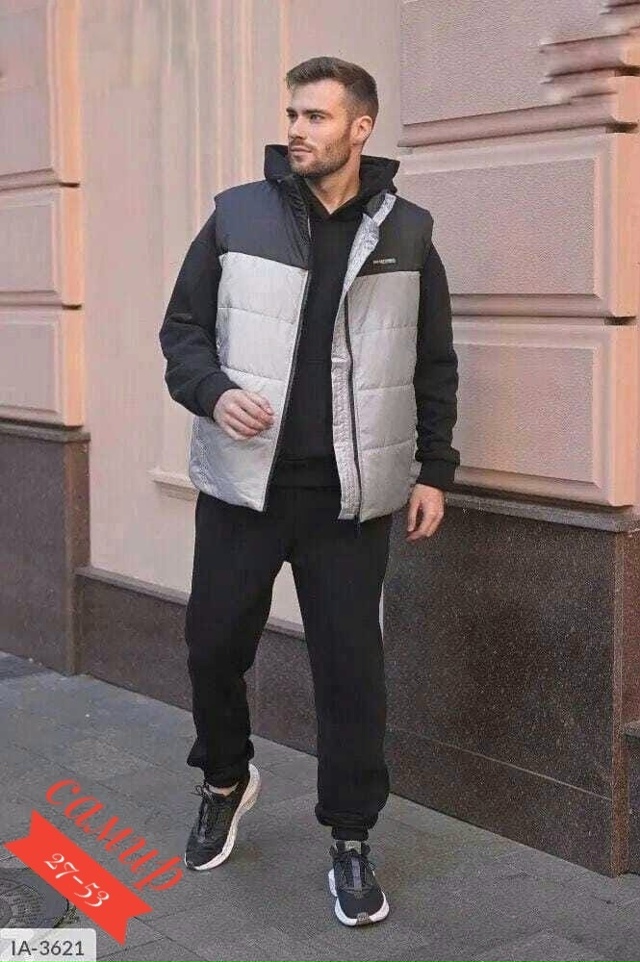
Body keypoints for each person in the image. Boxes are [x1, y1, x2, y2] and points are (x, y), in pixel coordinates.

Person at [159, 55, 459, 927]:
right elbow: (182, 331)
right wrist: (214, 391)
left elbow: (433, 360)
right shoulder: (236, 215)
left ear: (360, 129)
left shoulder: (408, 231)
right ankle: (225, 778)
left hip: (348, 499)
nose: (296, 128)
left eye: (316, 116)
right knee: (213, 647)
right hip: (244, 488)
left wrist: (434, 469)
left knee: (349, 671)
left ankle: (352, 836)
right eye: (292, 113)